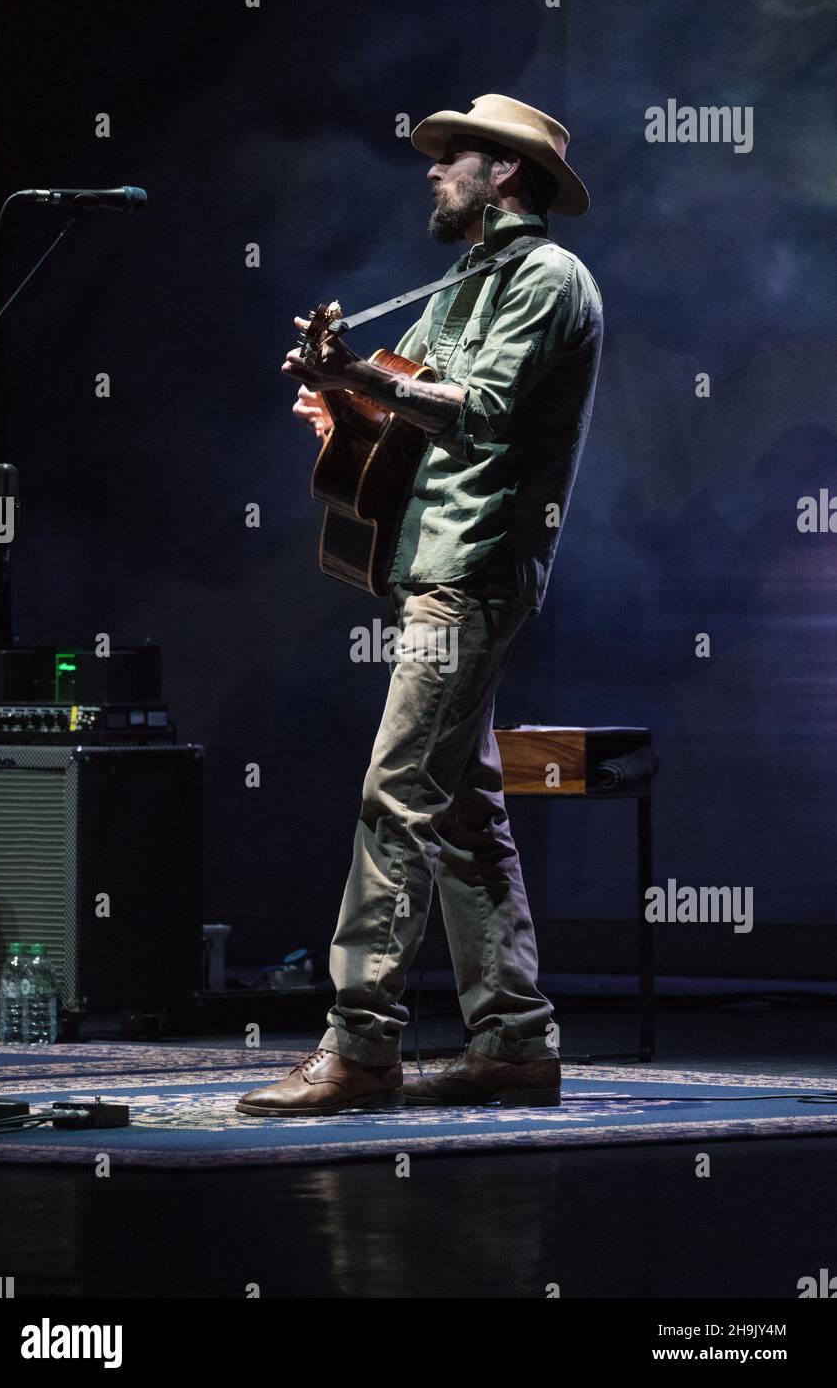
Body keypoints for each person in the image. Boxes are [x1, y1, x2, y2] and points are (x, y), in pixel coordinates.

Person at [236, 94, 603, 1117]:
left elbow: (480, 412)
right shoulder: (463, 280)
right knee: (462, 812)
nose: (432, 171)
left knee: (394, 797)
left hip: (474, 572)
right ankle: (514, 1043)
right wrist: (343, 406)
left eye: (454, 158)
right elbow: (415, 414)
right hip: (433, 565)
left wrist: (361, 370)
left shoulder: (543, 278)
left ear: (508, 176)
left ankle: (360, 1046)